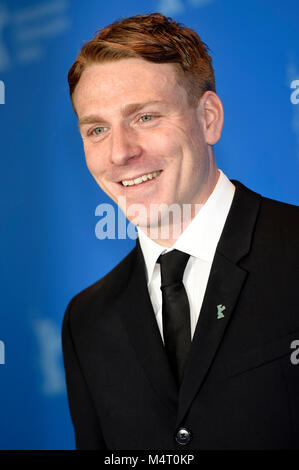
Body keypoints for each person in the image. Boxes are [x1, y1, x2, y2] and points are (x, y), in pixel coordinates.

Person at [62, 12, 299, 450]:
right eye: (97, 129)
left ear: (208, 118)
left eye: (146, 118)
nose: (120, 153)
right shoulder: (87, 320)